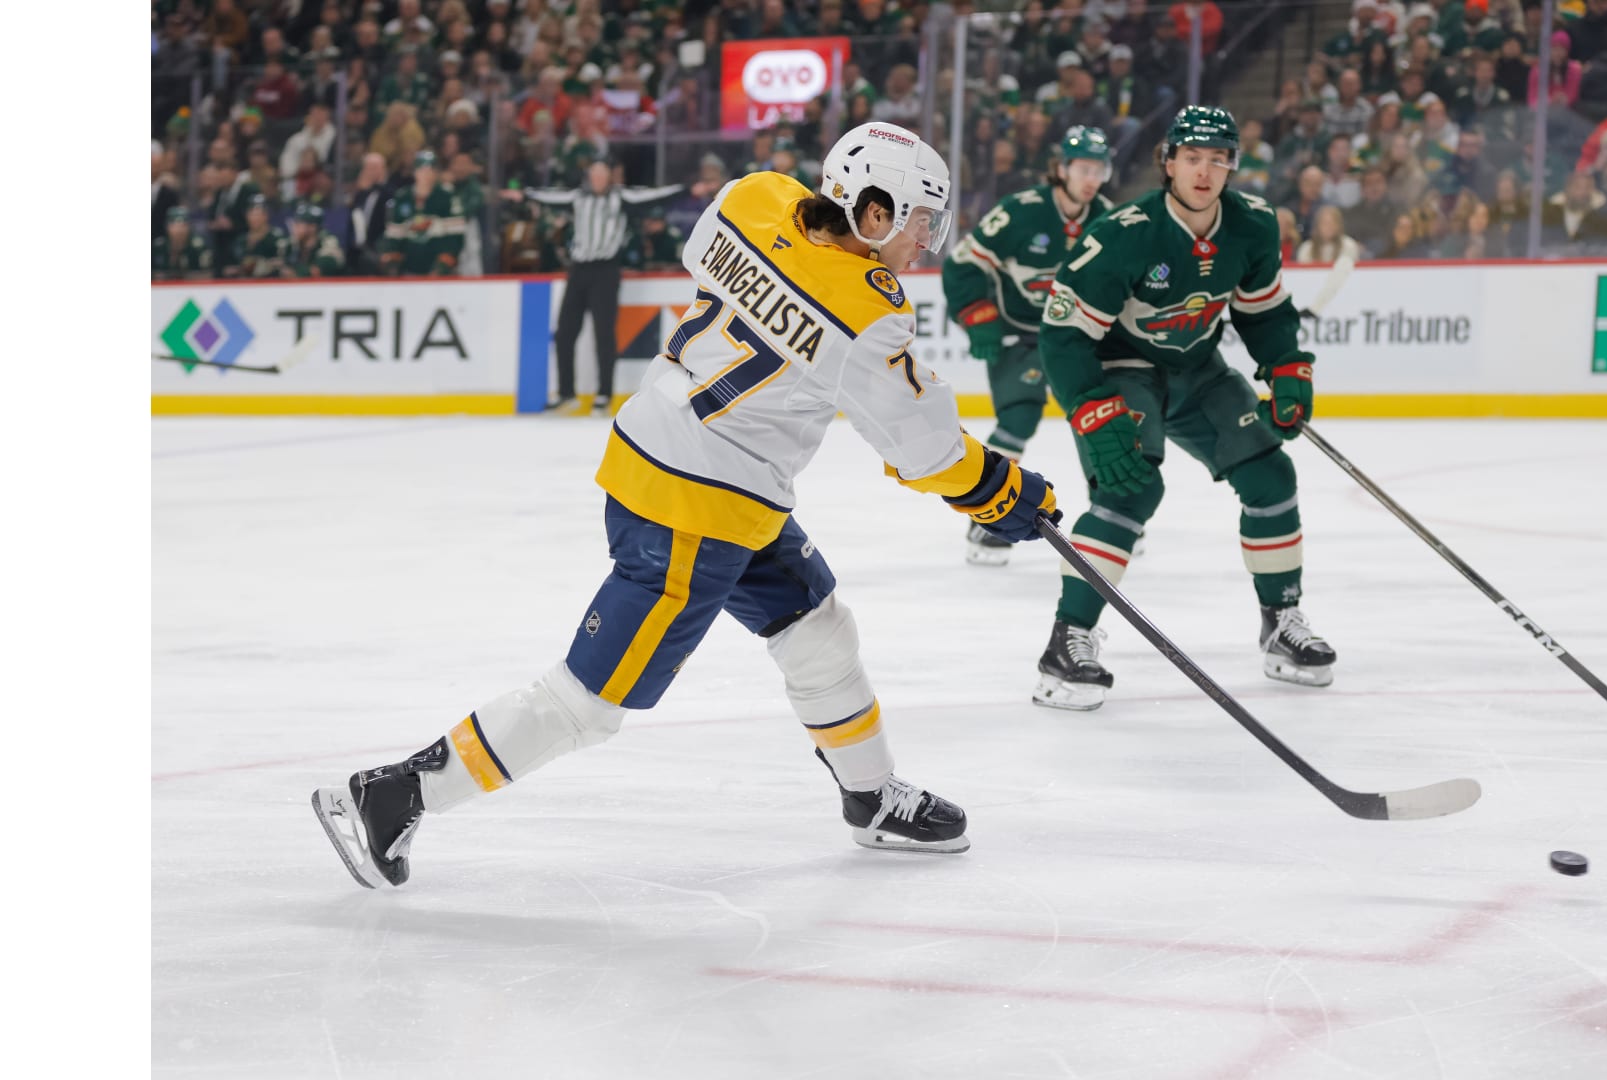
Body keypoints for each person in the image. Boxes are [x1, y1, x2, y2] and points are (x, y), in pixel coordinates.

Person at [313, 122, 1063, 888]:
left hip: (690, 468)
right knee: (586, 704)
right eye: (919, 221)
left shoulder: (753, 197)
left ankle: (870, 796)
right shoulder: (869, 311)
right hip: (697, 511)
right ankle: (394, 796)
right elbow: (926, 449)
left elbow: (716, 252)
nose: (925, 242)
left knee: (817, 628)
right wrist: (1007, 493)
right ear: (874, 213)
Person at [1031, 106, 1335, 712]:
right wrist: (1089, 407)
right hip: (1123, 367)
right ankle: (1067, 640)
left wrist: (1285, 365)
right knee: (1130, 488)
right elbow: (1062, 335)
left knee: (1271, 476)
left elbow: (1262, 311)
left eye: (1218, 159)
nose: (1204, 171)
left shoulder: (1253, 224)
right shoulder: (1124, 233)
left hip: (1198, 368)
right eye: (1192, 157)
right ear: (1168, 162)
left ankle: (1280, 620)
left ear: (1232, 166)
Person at [942, 126, 1115, 566]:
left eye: (1099, 169)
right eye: (1083, 168)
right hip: (1019, 334)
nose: (1092, 178)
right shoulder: (1021, 211)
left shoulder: (1109, 219)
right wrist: (978, 315)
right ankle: (987, 516)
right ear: (1062, 169)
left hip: (1074, 337)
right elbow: (962, 264)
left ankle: (1112, 512)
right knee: (1018, 417)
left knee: (1097, 416)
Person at [502, 161, 680, 415]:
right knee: (565, 333)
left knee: (603, 334)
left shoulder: (621, 198)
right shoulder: (578, 198)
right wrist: (525, 194)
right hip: (579, 270)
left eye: (602, 174)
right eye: (594, 174)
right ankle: (566, 394)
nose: (598, 179)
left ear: (609, 177)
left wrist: (687, 189)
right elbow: (550, 197)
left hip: (606, 271)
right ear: (589, 177)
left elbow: (654, 196)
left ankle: (604, 395)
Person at [381, 150, 467, 277]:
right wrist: (393, 262)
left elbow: (455, 237)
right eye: (422, 169)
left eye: (431, 170)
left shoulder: (447, 196)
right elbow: (394, 235)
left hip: (439, 272)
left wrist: (443, 265)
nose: (426, 174)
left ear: (436, 173)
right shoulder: (402, 197)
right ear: (415, 172)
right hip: (408, 269)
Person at [1296, 206, 1361, 320]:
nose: (1328, 227)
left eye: (1332, 223)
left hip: (1342, 295)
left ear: (1339, 225)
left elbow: (1349, 275)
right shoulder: (1307, 248)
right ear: (1318, 226)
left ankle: (1315, 309)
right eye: (1325, 223)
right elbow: (1303, 278)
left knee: (1344, 262)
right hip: (1312, 293)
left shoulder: (1348, 246)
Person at [282, 202, 347, 276]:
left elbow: (316, 271)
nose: (294, 227)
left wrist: (293, 273)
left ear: (312, 227)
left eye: (298, 223)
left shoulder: (328, 241)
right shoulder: (291, 244)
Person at [153, 206, 211, 281]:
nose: (179, 231)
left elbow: (208, 274)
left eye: (183, 226)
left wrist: (183, 276)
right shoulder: (158, 246)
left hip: (191, 287)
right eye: (174, 226)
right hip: (161, 287)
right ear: (167, 227)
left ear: (189, 227)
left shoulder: (198, 246)